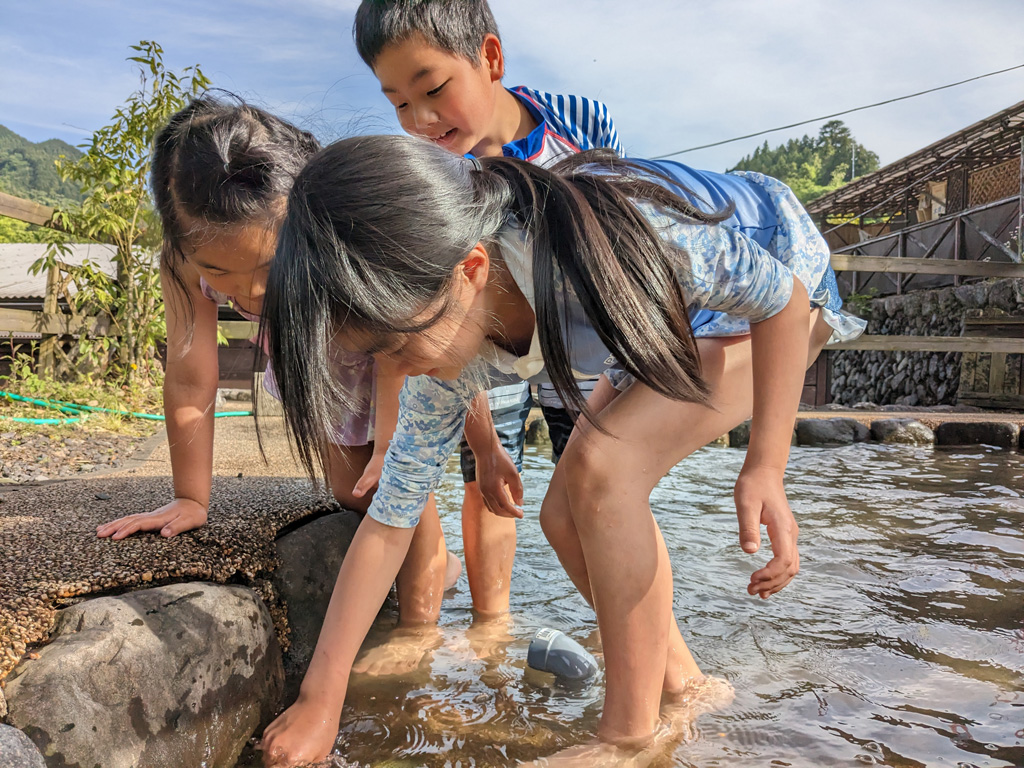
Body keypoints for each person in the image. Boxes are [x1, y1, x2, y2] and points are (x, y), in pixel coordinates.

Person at [255, 136, 866, 765]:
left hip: (782, 289)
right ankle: (688, 690)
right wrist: (320, 699)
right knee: (561, 514)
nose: (395, 368)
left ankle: (629, 737)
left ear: (469, 270)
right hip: (667, 319)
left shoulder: (614, 239)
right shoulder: (439, 350)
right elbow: (390, 520)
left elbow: (784, 301)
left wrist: (765, 465)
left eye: (394, 345)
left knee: (606, 470)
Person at [95, 96, 458, 631]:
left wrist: (387, 442)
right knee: (347, 491)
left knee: (395, 485)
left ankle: (426, 616)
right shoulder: (181, 259)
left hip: (382, 354)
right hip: (312, 365)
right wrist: (191, 497)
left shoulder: (328, 225)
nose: (254, 291)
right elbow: (192, 376)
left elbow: (394, 347)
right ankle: (427, 567)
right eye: (223, 274)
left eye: (269, 266)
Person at [353, 0, 623, 617]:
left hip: (578, 340)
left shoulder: (582, 122)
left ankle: (625, 632)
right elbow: (447, 323)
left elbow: (617, 233)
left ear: (490, 58)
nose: (419, 119)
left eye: (434, 89)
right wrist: (479, 444)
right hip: (486, 339)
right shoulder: (435, 176)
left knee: (599, 486)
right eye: (397, 103)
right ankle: (491, 624)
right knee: (491, 475)